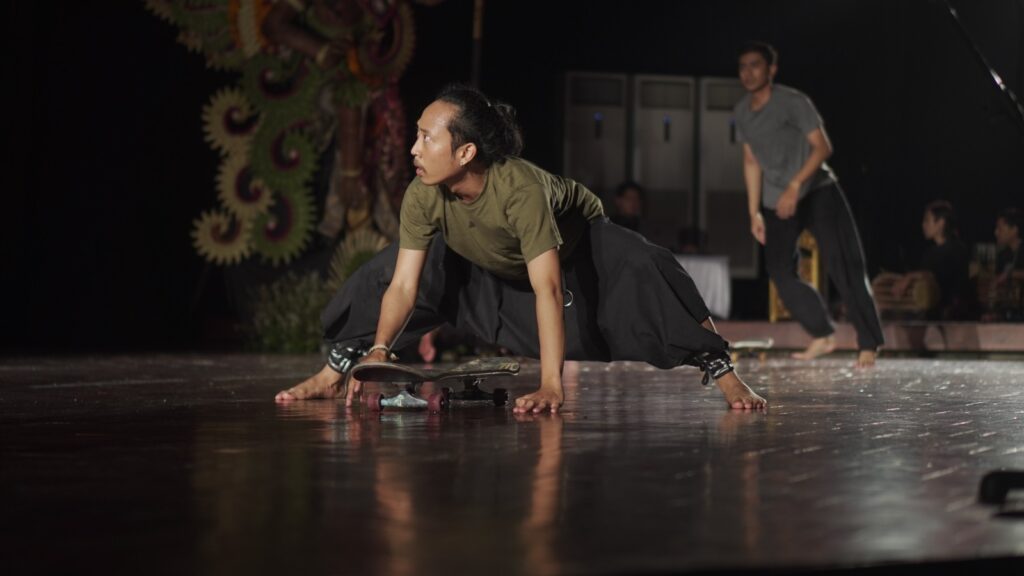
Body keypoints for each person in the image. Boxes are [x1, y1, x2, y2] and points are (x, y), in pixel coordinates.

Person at [276, 85, 767, 412]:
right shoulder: (423, 193)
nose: (414, 148)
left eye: (426, 138)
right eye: (417, 136)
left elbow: (548, 289)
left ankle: (722, 371)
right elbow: (404, 285)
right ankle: (335, 370)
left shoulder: (519, 190)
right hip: (491, 262)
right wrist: (381, 349)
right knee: (382, 272)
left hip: (577, 251)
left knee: (648, 266)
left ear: (465, 152)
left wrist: (551, 384)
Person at [733, 41, 884, 367]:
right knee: (779, 271)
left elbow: (822, 147)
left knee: (844, 264)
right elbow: (750, 161)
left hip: (817, 189)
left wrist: (795, 185)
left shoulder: (793, 101)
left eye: (755, 65)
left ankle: (868, 343)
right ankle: (822, 333)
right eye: (743, 66)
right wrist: (753, 211)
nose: (748, 72)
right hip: (777, 199)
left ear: (771, 70)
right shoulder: (742, 112)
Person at [874, 200, 970, 319]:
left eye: (927, 220)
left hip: (949, 315)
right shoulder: (930, 253)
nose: (923, 225)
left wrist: (910, 277)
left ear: (941, 223)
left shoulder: (957, 249)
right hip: (928, 314)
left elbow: (937, 276)